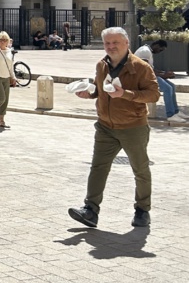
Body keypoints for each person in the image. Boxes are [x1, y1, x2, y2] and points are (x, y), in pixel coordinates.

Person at [69, 27, 160, 229]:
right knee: (98, 168)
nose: (111, 47)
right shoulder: (102, 65)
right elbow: (100, 89)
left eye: (115, 42)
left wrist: (125, 94)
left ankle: (143, 210)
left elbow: (153, 95)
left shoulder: (141, 67)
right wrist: (90, 94)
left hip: (133, 127)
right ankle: (90, 211)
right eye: (107, 43)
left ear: (126, 43)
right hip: (105, 126)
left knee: (140, 169)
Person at [134, 39, 188, 124]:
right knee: (167, 88)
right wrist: (164, 75)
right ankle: (170, 115)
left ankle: (176, 112)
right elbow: (145, 70)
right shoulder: (145, 51)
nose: (160, 52)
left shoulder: (148, 51)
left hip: (147, 75)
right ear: (157, 45)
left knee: (172, 86)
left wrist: (165, 73)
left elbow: (151, 69)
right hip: (142, 77)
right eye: (160, 49)